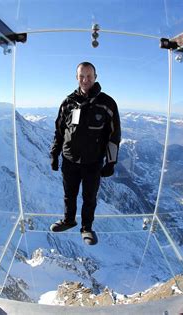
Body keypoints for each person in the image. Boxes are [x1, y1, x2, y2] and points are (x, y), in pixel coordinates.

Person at [49, 62, 121, 245]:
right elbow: (59, 130)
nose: (85, 80)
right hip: (69, 159)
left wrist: (111, 162)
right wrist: (54, 153)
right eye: (81, 76)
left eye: (89, 76)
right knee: (69, 194)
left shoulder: (107, 103)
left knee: (89, 197)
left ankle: (86, 228)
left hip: (92, 162)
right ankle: (68, 220)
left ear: (95, 77)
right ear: (76, 78)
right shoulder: (68, 103)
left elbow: (114, 135)